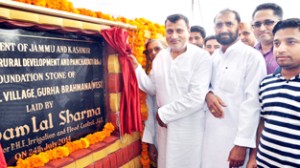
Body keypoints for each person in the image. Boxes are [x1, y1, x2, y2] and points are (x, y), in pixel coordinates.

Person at [132, 14, 212, 168]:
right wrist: (136, 69)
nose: (174, 36)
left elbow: (196, 98)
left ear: (188, 31)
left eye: (179, 31)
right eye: (170, 31)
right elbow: (153, 88)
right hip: (165, 129)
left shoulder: (201, 57)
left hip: (188, 128)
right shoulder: (160, 58)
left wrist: (163, 114)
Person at [201, 9, 267, 168]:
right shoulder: (213, 56)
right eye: (219, 25)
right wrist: (208, 93)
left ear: (239, 26)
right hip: (209, 136)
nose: (223, 29)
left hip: (234, 140)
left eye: (229, 24)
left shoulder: (252, 57)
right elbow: (203, 85)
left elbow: (253, 103)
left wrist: (241, 144)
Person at [247, 18, 300, 168]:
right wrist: (254, 157)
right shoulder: (266, 83)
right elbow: (263, 123)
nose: (281, 49)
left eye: (291, 42)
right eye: (277, 43)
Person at [141, 38, 167, 165]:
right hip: (160, 130)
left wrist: (136, 69)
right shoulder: (153, 72)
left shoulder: (178, 68)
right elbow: (150, 111)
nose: (153, 53)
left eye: (157, 49)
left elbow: (151, 89)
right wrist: (151, 143)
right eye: (150, 51)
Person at [252, 3, 283, 74]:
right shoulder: (249, 53)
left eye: (268, 22)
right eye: (257, 24)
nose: (262, 28)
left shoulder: (291, 53)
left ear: (280, 23)